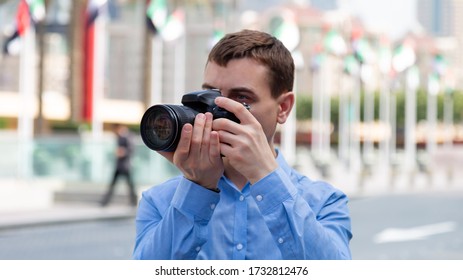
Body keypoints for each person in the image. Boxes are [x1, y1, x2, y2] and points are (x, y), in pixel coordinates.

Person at [133, 29, 352, 259]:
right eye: (210, 95)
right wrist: (197, 189)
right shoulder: (160, 201)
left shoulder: (324, 203)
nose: (215, 111)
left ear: (283, 107)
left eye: (241, 98)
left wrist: (264, 176)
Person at [101, 123, 138, 207]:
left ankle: (133, 202)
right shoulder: (119, 138)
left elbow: (131, 150)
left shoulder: (129, 137)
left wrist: (123, 152)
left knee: (130, 185)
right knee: (113, 184)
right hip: (119, 165)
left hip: (126, 166)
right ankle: (105, 202)